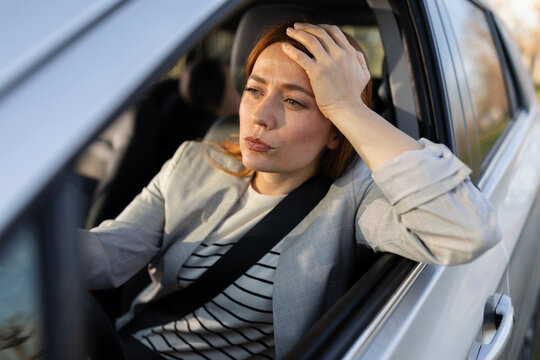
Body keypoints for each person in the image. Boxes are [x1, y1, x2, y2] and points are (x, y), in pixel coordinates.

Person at [79, 20, 501, 359]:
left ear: (336, 131)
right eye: (253, 90)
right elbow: (109, 253)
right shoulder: (193, 162)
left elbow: (466, 230)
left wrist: (350, 107)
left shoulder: (352, 201)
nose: (260, 116)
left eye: (295, 102)